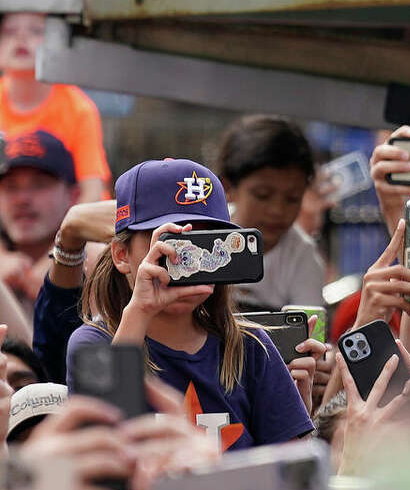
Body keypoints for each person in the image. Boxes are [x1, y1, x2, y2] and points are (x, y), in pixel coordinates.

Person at [68, 159, 313, 450]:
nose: (191, 257)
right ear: (122, 255)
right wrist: (141, 310)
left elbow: (293, 477)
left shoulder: (251, 346)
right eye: (174, 240)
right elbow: (98, 447)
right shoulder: (95, 343)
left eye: (207, 241)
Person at [213, 115, 327, 312]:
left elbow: (311, 337)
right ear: (228, 188)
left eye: (292, 198)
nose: (277, 210)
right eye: (262, 195)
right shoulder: (206, 239)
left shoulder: (303, 259)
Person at [0, 13, 110, 201]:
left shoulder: (79, 109)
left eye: (36, 31)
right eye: (10, 32)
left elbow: (92, 191)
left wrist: (67, 230)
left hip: (65, 221)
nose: (21, 38)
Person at [0, 131, 82, 321]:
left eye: (39, 184)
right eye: (11, 186)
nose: (22, 200)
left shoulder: (99, 268)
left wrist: (65, 265)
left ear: (74, 196)